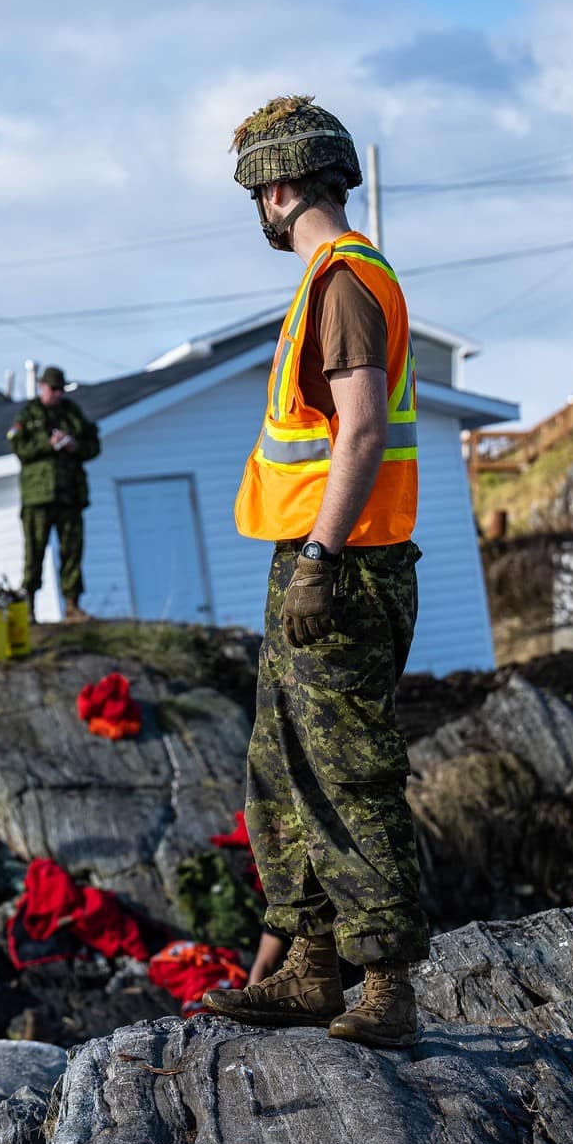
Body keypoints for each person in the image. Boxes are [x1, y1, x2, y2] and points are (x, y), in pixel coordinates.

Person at [198, 97, 427, 1049]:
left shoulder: (341, 284)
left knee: (346, 772)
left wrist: (323, 558)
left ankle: (385, 984)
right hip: (313, 561)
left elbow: (363, 427)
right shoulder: (329, 283)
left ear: (279, 189)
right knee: (283, 767)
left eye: (257, 192)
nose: (259, 208)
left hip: (345, 565)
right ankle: (312, 966)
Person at [9, 366, 101, 622]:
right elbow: (19, 447)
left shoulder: (72, 414)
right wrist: (46, 445)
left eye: (61, 389)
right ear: (42, 387)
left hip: (69, 494)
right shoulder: (28, 415)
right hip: (38, 497)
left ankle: (72, 606)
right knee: (34, 553)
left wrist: (74, 446)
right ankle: (28, 608)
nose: (58, 394)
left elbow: (93, 446)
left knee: (72, 550)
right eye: (53, 389)